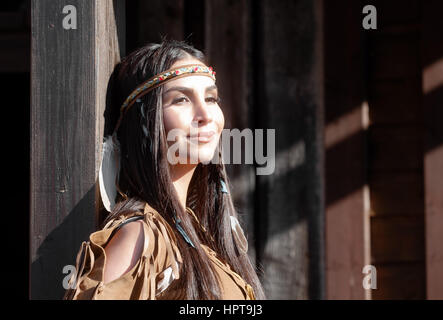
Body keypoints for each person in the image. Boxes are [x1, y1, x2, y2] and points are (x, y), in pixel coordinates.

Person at [63, 39, 265, 300]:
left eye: (211, 98)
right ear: (145, 122)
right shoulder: (141, 237)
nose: (205, 114)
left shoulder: (201, 235)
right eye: (181, 100)